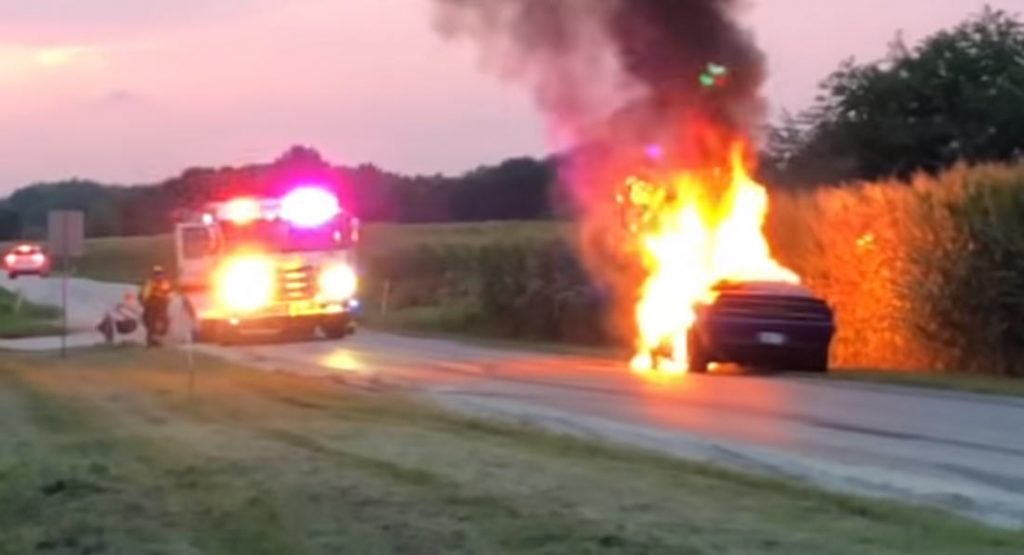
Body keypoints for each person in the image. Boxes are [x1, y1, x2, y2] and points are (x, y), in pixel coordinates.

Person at [139, 265, 174, 347]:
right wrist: (145, 303)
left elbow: (169, 293)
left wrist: (167, 298)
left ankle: (157, 339)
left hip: (161, 306)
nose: (159, 276)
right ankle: (151, 341)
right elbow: (144, 295)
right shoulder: (149, 283)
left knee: (164, 323)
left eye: (160, 274)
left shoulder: (165, 283)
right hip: (151, 306)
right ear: (154, 275)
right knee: (151, 324)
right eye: (157, 274)